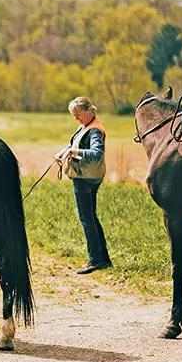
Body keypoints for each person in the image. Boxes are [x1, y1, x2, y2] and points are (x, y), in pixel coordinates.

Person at [56, 96, 112, 274]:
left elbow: (96, 154)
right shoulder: (87, 125)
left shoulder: (95, 131)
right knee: (91, 217)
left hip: (85, 179)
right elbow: (74, 142)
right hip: (87, 177)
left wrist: (74, 151)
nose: (76, 119)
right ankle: (103, 259)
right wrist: (64, 151)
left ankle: (95, 260)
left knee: (86, 219)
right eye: (74, 115)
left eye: (78, 115)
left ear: (88, 111)